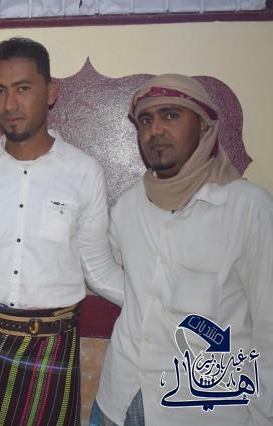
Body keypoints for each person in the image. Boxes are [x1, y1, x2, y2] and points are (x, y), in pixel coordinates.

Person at [0, 37, 124, 425]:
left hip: (49, 351)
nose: (10, 104)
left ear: (50, 92)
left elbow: (98, 271)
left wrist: (157, 302)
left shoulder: (84, 172)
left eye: (23, 88)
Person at [91, 74, 273, 425]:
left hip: (199, 410)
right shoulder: (129, 207)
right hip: (117, 400)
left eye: (171, 115)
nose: (156, 130)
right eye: (146, 120)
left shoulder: (250, 210)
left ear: (204, 126)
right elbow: (114, 272)